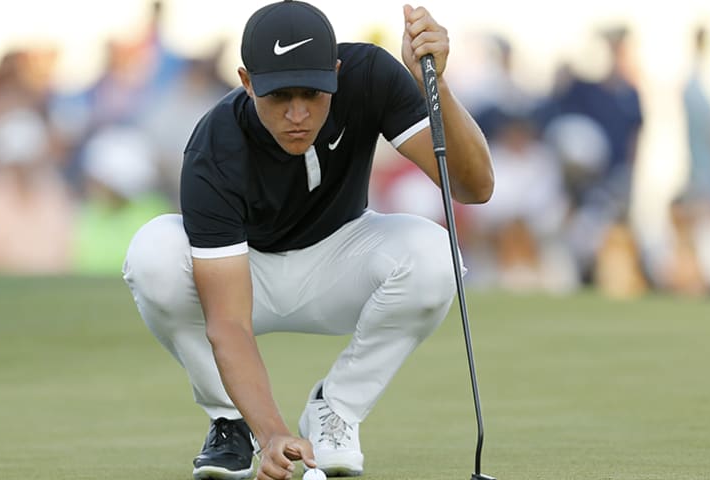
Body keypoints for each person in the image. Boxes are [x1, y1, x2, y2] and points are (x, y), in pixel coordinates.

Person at [122, 2, 493, 480]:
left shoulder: (370, 76)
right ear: (248, 81)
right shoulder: (214, 146)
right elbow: (229, 323)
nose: (298, 114)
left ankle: (335, 409)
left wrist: (434, 85)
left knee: (436, 254)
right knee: (153, 250)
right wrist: (273, 430)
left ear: (336, 74)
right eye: (279, 96)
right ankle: (233, 422)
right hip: (244, 276)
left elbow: (474, 187)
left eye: (314, 94)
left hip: (343, 261)